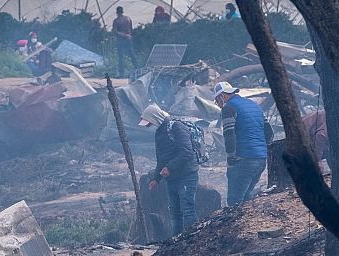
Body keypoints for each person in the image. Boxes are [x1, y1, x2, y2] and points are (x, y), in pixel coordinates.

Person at [139, 104, 199, 236]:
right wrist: (156, 179)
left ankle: (193, 239)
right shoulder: (159, 132)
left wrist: (169, 167)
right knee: (175, 212)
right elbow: (161, 159)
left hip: (186, 175)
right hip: (171, 178)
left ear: (155, 118)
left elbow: (187, 152)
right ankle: (176, 242)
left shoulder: (176, 127)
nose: (149, 125)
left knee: (187, 209)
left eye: (149, 122)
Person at [213, 81, 273, 206]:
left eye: (216, 101)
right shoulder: (254, 105)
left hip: (243, 160)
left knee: (234, 201)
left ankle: (236, 225)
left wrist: (231, 158)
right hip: (261, 159)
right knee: (246, 197)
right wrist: (261, 149)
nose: (217, 104)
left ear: (222, 96)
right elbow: (269, 133)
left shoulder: (228, 108)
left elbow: (229, 135)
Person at [112, 6, 138, 78]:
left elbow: (115, 31)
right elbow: (131, 29)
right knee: (132, 54)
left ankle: (122, 74)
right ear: (122, 11)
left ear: (117, 12)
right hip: (129, 39)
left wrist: (124, 35)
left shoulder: (116, 21)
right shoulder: (128, 18)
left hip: (121, 40)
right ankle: (138, 70)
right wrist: (128, 35)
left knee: (121, 57)